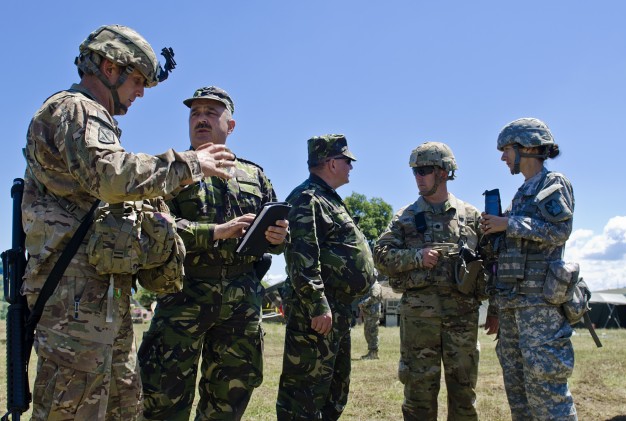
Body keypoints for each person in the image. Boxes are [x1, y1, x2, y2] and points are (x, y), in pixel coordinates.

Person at [21, 25, 234, 420]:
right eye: (137, 81)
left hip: (101, 298)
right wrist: (191, 164)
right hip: (74, 302)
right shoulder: (74, 108)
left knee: (123, 407)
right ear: (109, 66)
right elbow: (111, 175)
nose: (139, 93)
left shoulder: (94, 116)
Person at [138, 86, 289, 421]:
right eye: (195, 112)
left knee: (228, 402)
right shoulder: (170, 171)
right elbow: (155, 227)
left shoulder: (254, 175)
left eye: (210, 112)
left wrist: (278, 237)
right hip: (182, 298)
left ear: (230, 125)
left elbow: (275, 235)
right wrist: (217, 232)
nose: (201, 118)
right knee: (161, 401)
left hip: (240, 302)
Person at [374, 142, 487, 421]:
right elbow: (380, 255)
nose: (418, 177)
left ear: (444, 172)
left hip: (462, 321)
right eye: (415, 171)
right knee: (418, 398)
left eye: (424, 170)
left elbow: (489, 265)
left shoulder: (471, 217)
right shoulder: (406, 217)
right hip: (419, 323)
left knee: (464, 398)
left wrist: (493, 309)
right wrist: (416, 257)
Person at [481, 117, 577, 420]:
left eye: (506, 149)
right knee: (518, 393)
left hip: (539, 307)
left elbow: (559, 230)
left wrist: (507, 223)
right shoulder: (522, 193)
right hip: (513, 306)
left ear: (527, 147)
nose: (502, 157)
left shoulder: (553, 184)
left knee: (548, 394)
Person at [276, 134, 375, 420]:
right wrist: (317, 304)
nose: (351, 167)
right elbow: (301, 256)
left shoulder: (329, 199)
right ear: (332, 163)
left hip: (338, 312)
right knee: (303, 396)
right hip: (317, 314)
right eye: (347, 161)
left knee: (333, 394)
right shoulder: (307, 198)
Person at [358, 274, 383, 360]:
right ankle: (371, 353)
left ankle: (373, 353)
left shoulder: (375, 286)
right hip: (370, 313)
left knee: (372, 333)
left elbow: (373, 298)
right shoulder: (371, 286)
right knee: (368, 333)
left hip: (373, 314)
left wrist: (363, 303)